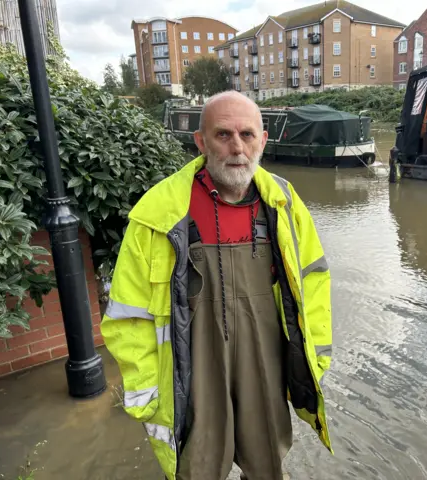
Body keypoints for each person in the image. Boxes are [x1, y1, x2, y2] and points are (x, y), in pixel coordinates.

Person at [101, 90, 333, 480]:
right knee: (197, 466)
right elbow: (129, 313)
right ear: (201, 141)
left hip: (265, 358)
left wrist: (315, 361)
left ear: (263, 138)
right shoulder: (159, 213)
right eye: (223, 135)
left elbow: (314, 286)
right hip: (194, 362)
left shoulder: (285, 204)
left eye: (246, 134)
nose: (237, 147)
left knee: (269, 464)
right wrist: (145, 388)